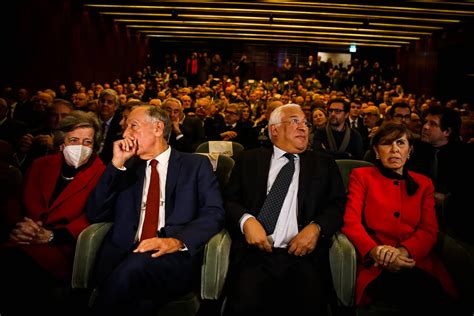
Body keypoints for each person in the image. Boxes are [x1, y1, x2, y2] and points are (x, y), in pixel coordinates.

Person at [86, 105, 225, 315]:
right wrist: (116, 164)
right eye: (125, 128)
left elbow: (214, 212)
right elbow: (95, 213)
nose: (125, 134)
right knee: (139, 300)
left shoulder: (195, 165)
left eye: (133, 126)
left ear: (158, 128)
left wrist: (177, 241)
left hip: (171, 256)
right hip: (122, 253)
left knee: (131, 275)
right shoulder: (125, 168)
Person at [223, 103, 346, 316]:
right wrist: (246, 221)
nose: (304, 128)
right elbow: (229, 201)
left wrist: (316, 228)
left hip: (304, 256)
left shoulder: (324, 163)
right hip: (255, 255)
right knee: (243, 305)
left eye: (305, 123)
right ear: (274, 129)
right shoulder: (249, 159)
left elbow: (337, 205)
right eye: (295, 121)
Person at [342, 122, 459, 315]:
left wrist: (402, 253)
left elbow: (429, 230)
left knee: (433, 294)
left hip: (415, 260)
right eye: (387, 143)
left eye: (400, 143)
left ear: (409, 151)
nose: (395, 149)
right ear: (376, 151)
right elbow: (351, 223)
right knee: (425, 296)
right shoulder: (361, 176)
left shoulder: (424, 184)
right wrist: (377, 252)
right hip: (377, 264)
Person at [0, 111, 105, 315]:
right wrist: (18, 226)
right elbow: (16, 200)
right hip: (23, 237)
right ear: (61, 143)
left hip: (61, 248)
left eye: (87, 142)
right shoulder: (41, 164)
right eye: (74, 140)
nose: (80, 147)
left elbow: (95, 214)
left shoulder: (101, 173)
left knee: (18, 271)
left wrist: (53, 236)